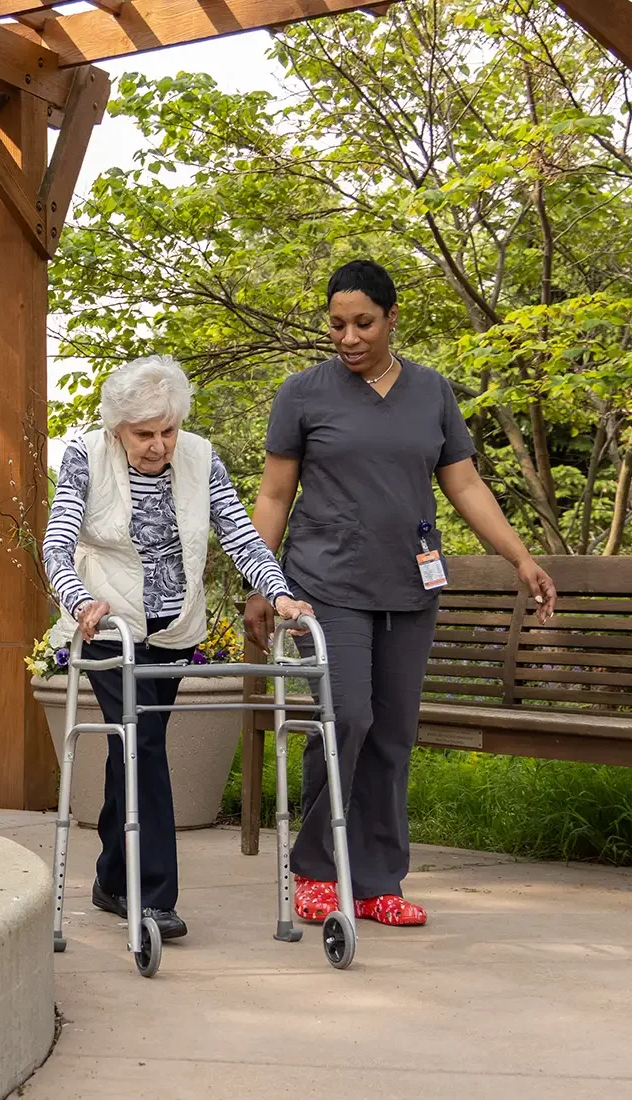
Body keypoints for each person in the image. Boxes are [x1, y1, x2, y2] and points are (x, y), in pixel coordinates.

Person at [245, 260, 556, 927]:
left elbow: (464, 484)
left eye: (363, 323)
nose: (348, 338)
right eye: (337, 325)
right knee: (347, 718)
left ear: (391, 318)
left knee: (392, 733)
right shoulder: (303, 393)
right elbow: (274, 495)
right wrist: (259, 581)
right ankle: (317, 870)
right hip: (325, 584)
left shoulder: (431, 391)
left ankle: (378, 880)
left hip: (410, 586)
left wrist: (521, 557)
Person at [44, 355, 313, 941]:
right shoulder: (84, 455)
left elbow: (241, 536)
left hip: (172, 630)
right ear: (118, 428)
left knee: (133, 747)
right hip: (107, 625)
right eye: (144, 434)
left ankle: (111, 879)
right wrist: (79, 600)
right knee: (142, 746)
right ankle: (154, 896)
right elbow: (57, 543)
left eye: (167, 430)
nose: (159, 445)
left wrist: (280, 593)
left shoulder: (200, 456)